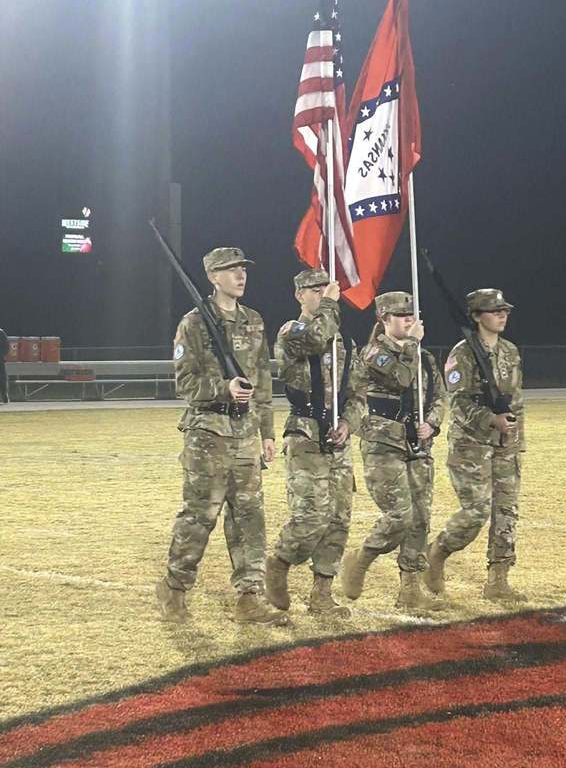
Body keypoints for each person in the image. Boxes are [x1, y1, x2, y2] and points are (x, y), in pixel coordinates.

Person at [156, 246, 288, 625]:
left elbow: (262, 382)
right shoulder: (194, 324)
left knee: (249, 517)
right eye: (231, 270)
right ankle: (175, 589)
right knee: (200, 515)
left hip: (246, 433)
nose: (240, 275)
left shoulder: (254, 321)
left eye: (242, 269)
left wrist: (266, 432)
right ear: (213, 277)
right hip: (208, 433)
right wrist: (222, 387)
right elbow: (184, 383)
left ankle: (249, 598)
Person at [265, 268, 365, 617]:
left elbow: (358, 392)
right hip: (306, 435)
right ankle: (279, 562)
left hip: (338, 440)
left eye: (327, 288)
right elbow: (315, 339)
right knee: (310, 518)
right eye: (315, 289)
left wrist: (349, 423)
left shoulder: (346, 343)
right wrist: (331, 306)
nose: (322, 293)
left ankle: (322, 594)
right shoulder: (292, 332)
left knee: (338, 519)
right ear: (299, 295)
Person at [341, 291, 446, 617]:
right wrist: (411, 345)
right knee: (399, 515)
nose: (409, 320)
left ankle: (410, 589)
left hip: (418, 446)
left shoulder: (425, 358)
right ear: (384, 320)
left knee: (420, 520)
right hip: (383, 444)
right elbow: (400, 379)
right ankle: (362, 558)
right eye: (401, 315)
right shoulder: (374, 353)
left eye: (412, 314)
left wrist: (432, 423)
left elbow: (439, 396)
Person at [423, 288, 525, 603]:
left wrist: (515, 434)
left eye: (504, 310)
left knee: (506, 510)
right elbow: (459, 404)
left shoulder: (510, 351)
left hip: (505, 445)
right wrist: (489, 420)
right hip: (471, 446)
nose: (502, 315)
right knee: (477, 510)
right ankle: (438, 551)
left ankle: (498, 580)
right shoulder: (462, 354)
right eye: (495, 311)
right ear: (477, 316)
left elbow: (516, 400)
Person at [0, 328, 9, 404]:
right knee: (2, 378)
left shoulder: (1, 332)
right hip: (0, 358)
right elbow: (7, 346)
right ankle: (4, 394)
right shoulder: (1, 332)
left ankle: (4, 394)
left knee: (2, 378)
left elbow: (6, 346)